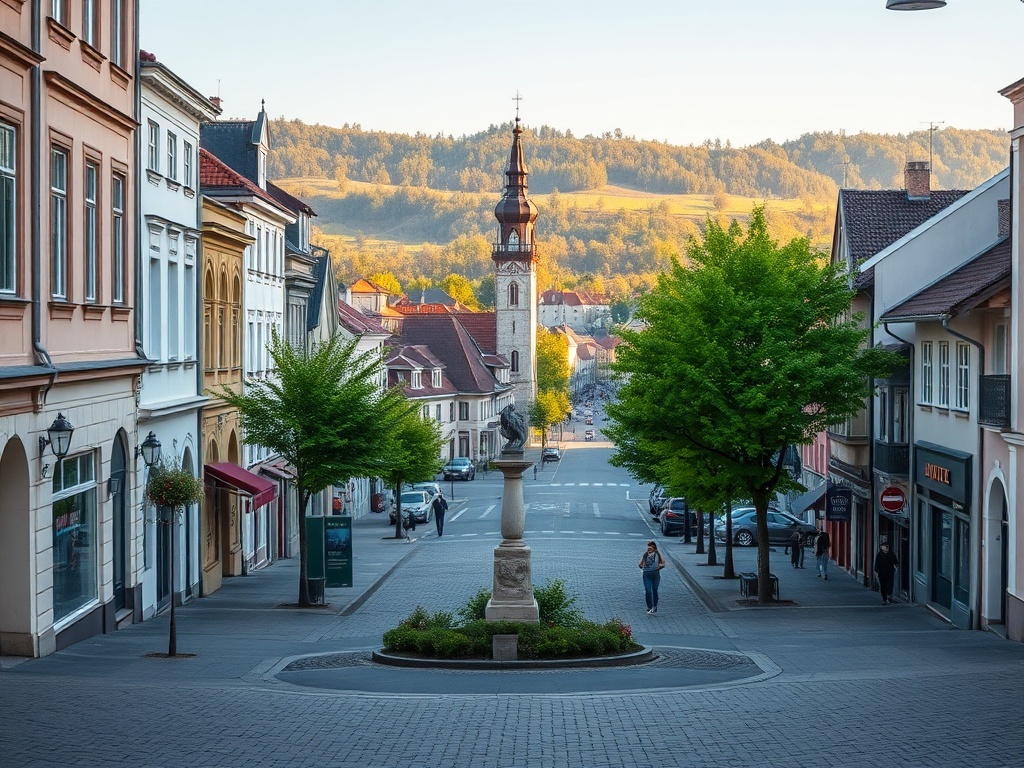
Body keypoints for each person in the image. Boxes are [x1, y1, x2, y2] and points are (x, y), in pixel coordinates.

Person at [638, 540, 665, 614]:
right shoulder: (645, 554)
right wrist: (641, 566)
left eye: (651, 547)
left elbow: (663, 563)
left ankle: (655, 606)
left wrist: (659, 567)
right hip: (646, 574)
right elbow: (640, 564)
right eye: (648, 547)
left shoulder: (658, 554)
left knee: (655, 590)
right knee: (648, 590)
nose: (649, 549)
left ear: (654, 548)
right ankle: (649, 607)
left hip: (655, 575)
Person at [874, 540, 899, 604]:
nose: (886, 547)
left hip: (890, 572)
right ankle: (884, 599)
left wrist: (895, 567)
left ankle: (888, 597)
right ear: (882, 547)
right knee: (883, 586)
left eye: (887, 546)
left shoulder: (891, 554)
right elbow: (877, 564)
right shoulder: (879, 555)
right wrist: (876, 571)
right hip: (882, 573)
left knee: (889, 585)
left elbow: (895, 561)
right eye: (885, 546)